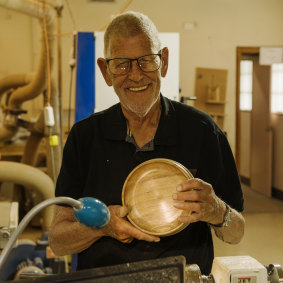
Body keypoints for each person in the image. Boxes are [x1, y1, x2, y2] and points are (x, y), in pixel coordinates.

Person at [48, 11, 245, 275]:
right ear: (106, 72)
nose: (136, 75)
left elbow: (237, 232)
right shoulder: (85, 137)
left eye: (145, 61)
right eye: (121, 64)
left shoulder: (202, 131)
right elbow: (58, 242)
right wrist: (103, 226)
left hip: (181, 279)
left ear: (163, 61)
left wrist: (217, 210)